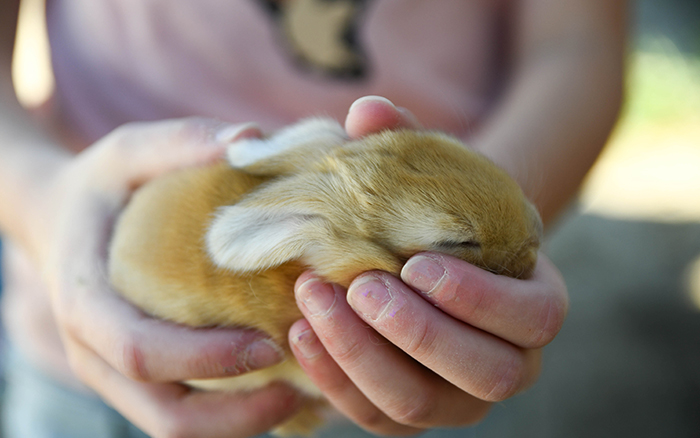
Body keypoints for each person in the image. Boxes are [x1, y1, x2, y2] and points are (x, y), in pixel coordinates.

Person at [0, 1, 625, 437]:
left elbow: (575, 43)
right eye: (458, 241)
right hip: (85, 340)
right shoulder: (313, 232)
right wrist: (42, 200)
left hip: (446, 372)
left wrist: (493, 203)